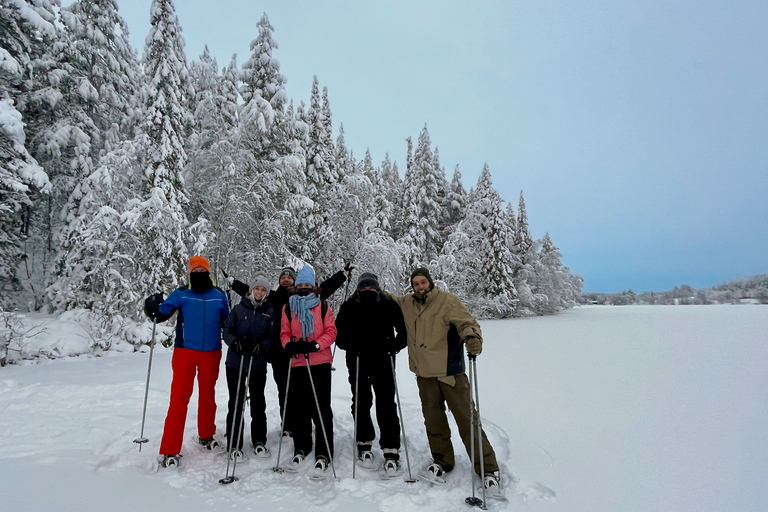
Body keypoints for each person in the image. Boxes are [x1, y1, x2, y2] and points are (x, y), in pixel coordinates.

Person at [393, 267, 502, 496]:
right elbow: (389, 298)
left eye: (423, 282)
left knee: (466, 419)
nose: (420, 286)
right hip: (424, 375)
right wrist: (367, 285)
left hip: (449, 372)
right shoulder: (407, 303)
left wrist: (472, 337)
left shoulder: (447, 301)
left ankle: (488, 469)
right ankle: (443, 461)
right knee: (434, 421)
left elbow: (466, 322)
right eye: (416, 284)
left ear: (430, 282)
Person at [229, 263, 352, 437]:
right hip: (279, 352)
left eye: (289, 277)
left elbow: (324, 289)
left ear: (295, 281)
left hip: (301, 350)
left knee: (303, 390)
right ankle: (287, 423)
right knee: (285, 390)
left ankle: (308, 421)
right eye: (283, 277)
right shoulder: (271, 297)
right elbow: (253, 292)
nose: (286, 279)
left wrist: (342, 274)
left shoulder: (303, 295)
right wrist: (234, 283)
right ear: (279, 281)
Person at [143, 256, 229, 469]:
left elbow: (227, 322)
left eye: (202, 269)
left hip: (211, 352)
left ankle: (206, 435)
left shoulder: (218, 296)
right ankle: (170, 448)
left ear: (208, 272)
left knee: (208, 395)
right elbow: (161, 314)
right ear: (190, 272)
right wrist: (151, 307)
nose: (199, 272)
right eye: (195, 269)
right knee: (179, 398)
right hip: (185, 352)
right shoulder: (181, 293)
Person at [335, 272, 407, 474]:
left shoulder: (388, 304)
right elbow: (338, 335)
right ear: (358, 288)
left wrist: (394, 345)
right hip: (357, 359)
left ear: (377, 288)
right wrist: (349, 344)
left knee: (386, 402)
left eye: (371, 287)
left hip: (383, 359)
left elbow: (403, 331)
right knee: (361, 400)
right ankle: (364, 439)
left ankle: (391, 446)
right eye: (364, 287)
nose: (368, 290)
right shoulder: (349, 306)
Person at [280, 266, 337, 475]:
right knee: (298, 408)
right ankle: (301, 446)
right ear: (296, 287)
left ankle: (324, 450)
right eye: (301, 285)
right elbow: (284, 332)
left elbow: (331, 331)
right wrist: (288, 345)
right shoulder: (288, 308)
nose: (304, 288)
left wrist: (316, 345)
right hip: (297, 363)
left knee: (321, 407)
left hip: (319, 362)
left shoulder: (322, 307)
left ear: (314, 287)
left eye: (308, 285)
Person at [222, 277, 276, 458]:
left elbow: (272, 336)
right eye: (257, 289)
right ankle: (234, 442)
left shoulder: (269, 312)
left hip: (257, 363)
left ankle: (259, 440)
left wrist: (263, 346)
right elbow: (227, 330)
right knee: (236, 402)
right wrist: (235, 343)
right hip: (236, 363)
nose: (259, 292)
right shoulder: (238, 309)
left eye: (263, 290)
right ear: (251, 291)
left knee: (258, 402)